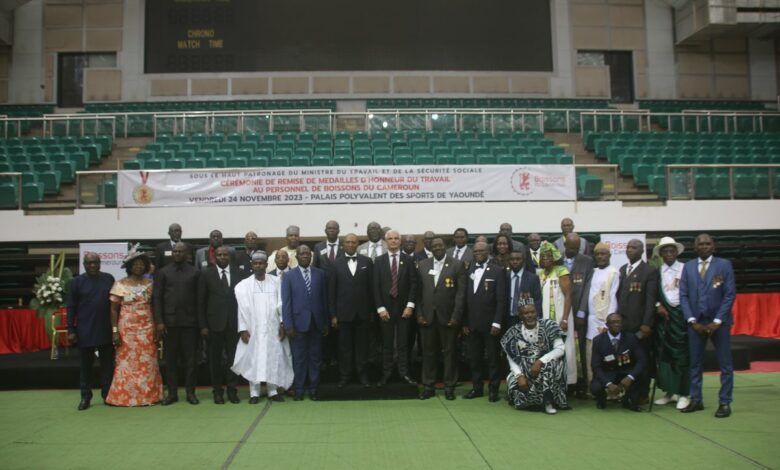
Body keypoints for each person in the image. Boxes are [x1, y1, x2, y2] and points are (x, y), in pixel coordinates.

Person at [679, 234, 736, 418]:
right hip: (696, 323)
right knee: (695, 364)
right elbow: (683, 296)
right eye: (700, 244)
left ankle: (725, 402)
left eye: (707, 243)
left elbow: (729, 295)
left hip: (719, 323)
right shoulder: (688, 267)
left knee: (725, 364)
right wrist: (692, 320)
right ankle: (696, 399)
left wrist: (717, 321)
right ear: (695, 248)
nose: (704, 246)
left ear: (713, 246)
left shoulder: (724, 265)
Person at [232, 251, 293, 403]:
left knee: (273, 357)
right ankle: (254, 392)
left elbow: (281, 305)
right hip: (254, 330)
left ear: (266, 265)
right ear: (252, 265)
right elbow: (241, 309)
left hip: (272, 329)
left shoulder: (276, 282)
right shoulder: (243, 286)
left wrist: (282, 323)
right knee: (254, 359)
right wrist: (243, 329)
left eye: (261, 263)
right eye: (256, 263)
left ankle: (272, 391)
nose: (258, 266)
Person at [105, 249, 163, 406]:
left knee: (148, 363)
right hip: (127, 329)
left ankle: (149, 396)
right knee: (126, 364)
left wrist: (158, 326)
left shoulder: (151, 284)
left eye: (141, 264)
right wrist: (115, 331)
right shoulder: (120, 284)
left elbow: (156, 305)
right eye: (135, 264)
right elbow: (113, 309)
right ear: (129, 266)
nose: (138, 266)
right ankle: (123, 397)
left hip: (147, 328)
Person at [416, 238, 467, 400]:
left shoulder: (457, 265)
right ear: (430, 248)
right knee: (428, 353)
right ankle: (428, 386)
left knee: (449, 353)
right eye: (434, 246)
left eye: (440, 245)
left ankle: (449, 387)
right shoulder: (422, 265)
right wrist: (419, 314)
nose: (437, 248)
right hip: (427, 317)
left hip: (449, 318)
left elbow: (461, 294)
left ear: (446, 247)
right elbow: (417, 293)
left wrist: (456, 316)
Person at [198, 246, 248, 404]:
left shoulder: (239, 273)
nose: (222, 257)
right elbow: (201, 302)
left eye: (225, 254)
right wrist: (203, 325)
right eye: (219, 255)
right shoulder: (206, 273)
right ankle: (217, 391)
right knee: (215, 360)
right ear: (214, 257)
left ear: (230, 256)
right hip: (213, 324)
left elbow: (244, 302)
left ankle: (232, 390)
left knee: (233, 359)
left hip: (234, 323)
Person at [153, 242, 201, 405]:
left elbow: (199, 300)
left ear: (187, 253)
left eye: (181, 251)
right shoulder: (163, 272)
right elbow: (157, 298)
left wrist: (200, 324)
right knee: (170, 361)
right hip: (169, 323)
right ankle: (172, 393)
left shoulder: (195, 272)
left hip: (190, 323)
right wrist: (159, 321)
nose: (177, 253)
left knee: (191, 361)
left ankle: (190, 393)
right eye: (175, 251)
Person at [67, 252, 115, 410]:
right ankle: (85, 396)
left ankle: (107, 395)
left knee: (108, 366)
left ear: (100, 263)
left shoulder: (109, 279)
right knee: (86, 366)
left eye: (96, 262)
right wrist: (71, 330)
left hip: (106, 329)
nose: (93, 265)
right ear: (84, 264)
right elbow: (71, 307)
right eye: (89, 263)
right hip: (85, 330)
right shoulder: (76, 282)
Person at [502, 304, 569, 414]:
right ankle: (526, 400)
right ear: (520, 315)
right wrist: (519, 376)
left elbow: (560, 349)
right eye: (526, 313)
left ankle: (548, 402)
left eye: (532, 312)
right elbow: (511, 357)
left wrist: (540, 361)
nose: (530, 315)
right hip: (523, 369)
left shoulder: (549, 325)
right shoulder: (513, 331)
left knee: (549, 367)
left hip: (545, 366)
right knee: (516, 388)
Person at [282, 245, 328, 401]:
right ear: (296, 256)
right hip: (297, 325)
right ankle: (299, 389)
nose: (305, 256)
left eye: (307, 254)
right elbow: (286, 303)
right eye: (302, 254)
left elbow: (324, 300)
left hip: (317, 323)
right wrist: (288, 325)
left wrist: (325, 323)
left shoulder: (320, 274)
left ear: (311, 256)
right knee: (299, 359)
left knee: (315, 358)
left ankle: (314, 389)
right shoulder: (289, 276)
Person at [462, 241, 507, 402]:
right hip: (472, 323)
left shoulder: (497, 271)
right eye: (475, 251)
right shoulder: (469, 270)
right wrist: (465, 322)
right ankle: (477, 388)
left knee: (493, 358)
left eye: (481, 251)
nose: (477, 253)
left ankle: (493, 389)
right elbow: (466, 298)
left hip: (490, 325)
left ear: (488, 252)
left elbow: (501, 300)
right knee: (474, 358)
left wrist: (497, 322)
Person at [328, 233, 374, 387]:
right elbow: (331, 291)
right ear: (343, 245)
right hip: (343, 314)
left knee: (362, 348)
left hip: (363, 313)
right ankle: (344, 376)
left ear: (357, 244)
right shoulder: (335, 264)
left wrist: (372, 312)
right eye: (347, 242)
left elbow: (371, 289)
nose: (350, 245)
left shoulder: (367, 262)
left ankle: (363, 376)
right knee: (344, 348)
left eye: (353, 242)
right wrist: (333, 315)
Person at [372, 229, 418, 386]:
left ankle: (404, 373)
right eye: (390, 238)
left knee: (403, 344)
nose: (393, 241)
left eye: (396, 238)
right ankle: (386, 374)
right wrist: (380, 308)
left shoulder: (409, 260)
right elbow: (375, 287)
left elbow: (413, 284)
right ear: (386, 241)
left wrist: (410, 306)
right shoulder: (379, 261)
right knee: (386, 344)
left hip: (404, 308)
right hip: (385, 309)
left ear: (400, 241)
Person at [652, 236, 691, 410]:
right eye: (665, 251)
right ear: (660, 254)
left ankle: (684, 393)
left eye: (671, 250)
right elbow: (653, 294)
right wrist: (658, 305)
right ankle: (670, 392)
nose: (668, 254)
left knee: (681, 357)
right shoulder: (657, 271)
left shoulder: (686, 269)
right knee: (665, 357)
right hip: (664, 320)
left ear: (676, 252)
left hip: (681, 320)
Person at [617, 239, 657, 403]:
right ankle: (629, 392)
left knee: (642, 360)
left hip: (640, 326)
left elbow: (650, 300)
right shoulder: (622, 269)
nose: (630, 250)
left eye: (634, 248)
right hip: (624, 326)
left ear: (642, 251)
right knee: (627, 361)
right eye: (628, 247)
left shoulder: (649, 271)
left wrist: (647, 324)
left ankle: (643, 393)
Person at [579, 242, 619, 386]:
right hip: (591, 321)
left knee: (607, 357)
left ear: (609, 255)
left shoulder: (614, 272)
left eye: (603, 254)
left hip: (605, 323)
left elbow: (613, 298)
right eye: (597, 254)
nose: (600, 257)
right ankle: (593, 387)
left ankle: (609, 387)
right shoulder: (593, 272)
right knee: (591, 356)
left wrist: (608, 323)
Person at [538, 242, 577, 386]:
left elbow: (568, 295)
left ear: (554, 258)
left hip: (561, 316)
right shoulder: (541, 274)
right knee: (550, 348)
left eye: (548, 256)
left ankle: (566, 382)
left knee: (564, 347)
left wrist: (565, 319)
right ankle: (552, 381)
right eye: (542, 256)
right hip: (546, 318)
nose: (545, 259)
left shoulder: (562, 271)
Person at [591, 313, 646, 412]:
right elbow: (596, 366)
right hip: (607, 373)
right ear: (607, 325)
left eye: (619, 322)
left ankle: (629, 400)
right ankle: (602, 399)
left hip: (625, 372)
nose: (617, 325)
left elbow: (641, 361)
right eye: (613, 322)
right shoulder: (598, 340)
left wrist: (630, 377)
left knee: (641, 376)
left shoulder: (631, 338)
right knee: (595, 387)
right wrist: (608, 384)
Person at [563, 233, 594, 397]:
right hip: (562, 312)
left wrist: (581, 312)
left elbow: (588, 287)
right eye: (570, 247)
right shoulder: (557, 259)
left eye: (576, 248)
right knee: (565, 348)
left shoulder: (586, 261)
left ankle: (581, 385)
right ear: (564, 245)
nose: (573, 251)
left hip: (579, 313)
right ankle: (565, 382)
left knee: (580, 348)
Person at [505, 250, 542, 327]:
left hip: (527, 319)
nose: (515, 261)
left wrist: (537, 318)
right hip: (507, 319)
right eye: (512, 259)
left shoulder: (533, 278)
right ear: (508, 261)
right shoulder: (504, 277)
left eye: (518, 259)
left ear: (523, 261)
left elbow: (537, 300)